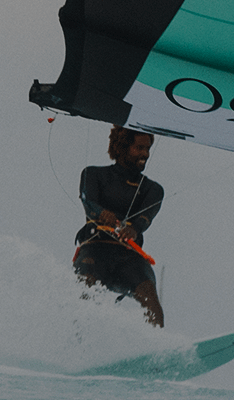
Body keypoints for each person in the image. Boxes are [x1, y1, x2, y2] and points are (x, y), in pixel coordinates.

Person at [73, 126, 165, 326]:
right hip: (95, 251)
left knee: (150, 299)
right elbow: (88, 202)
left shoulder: (153, 189)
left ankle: (157, 342)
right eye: (139, 148)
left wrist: (133, 229)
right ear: (122, 147)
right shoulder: (93, 174)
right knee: (86, 291)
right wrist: (101, 214)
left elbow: (145, 218)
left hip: (128, 257)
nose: (145, 154)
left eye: (147, 149)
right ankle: (79, 340)